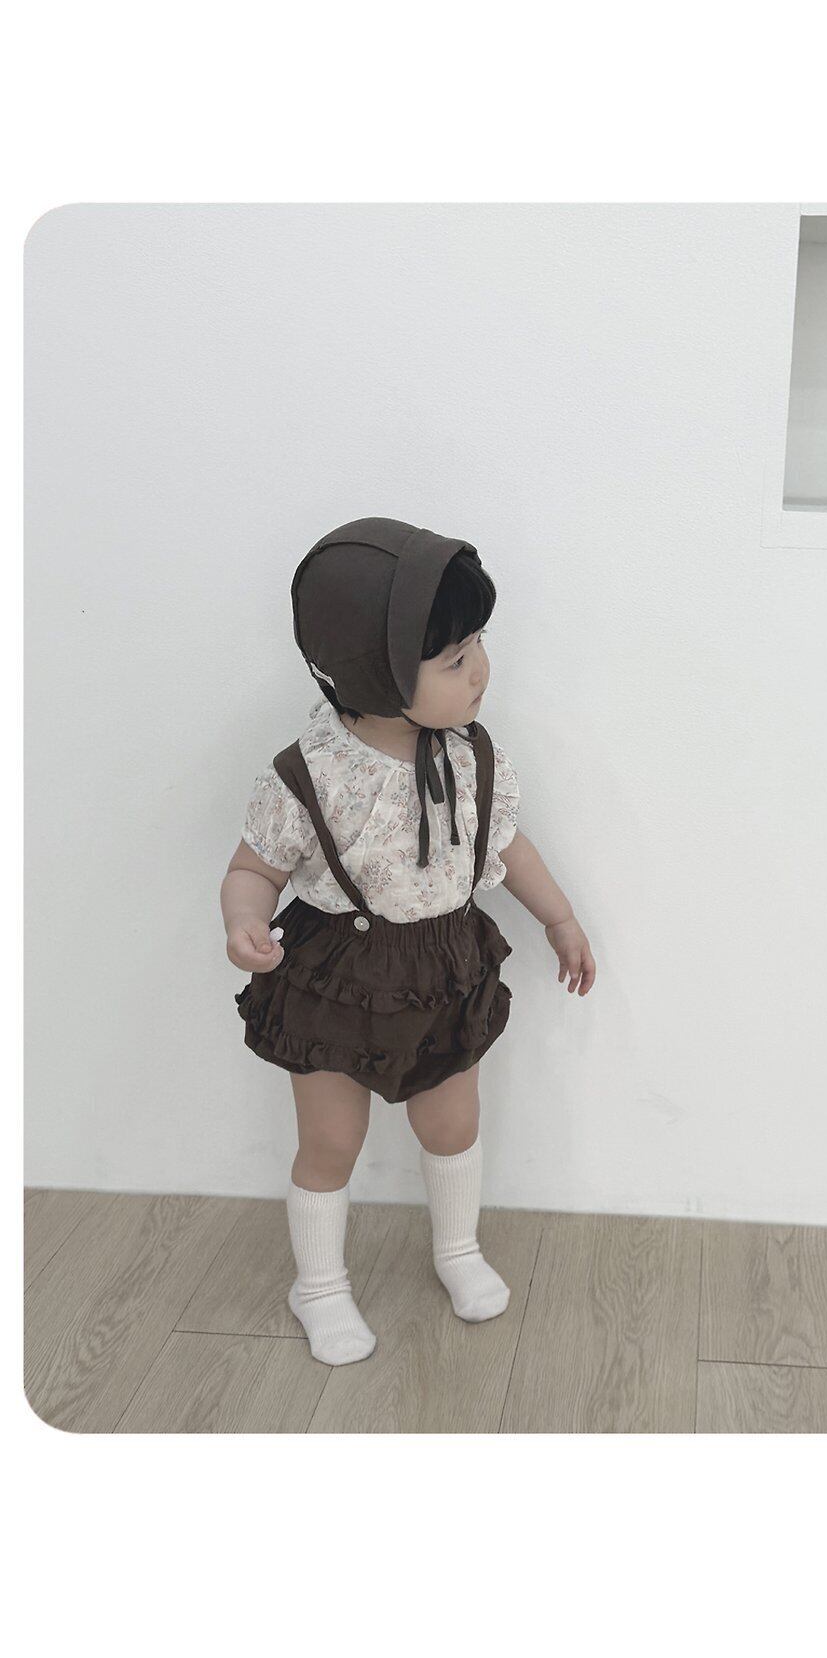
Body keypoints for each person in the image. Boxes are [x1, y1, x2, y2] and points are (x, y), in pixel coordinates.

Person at [221, 517, 595, 1366]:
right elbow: (253, 866)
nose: (481, 669)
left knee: (452, 1122)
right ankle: (319, 1285)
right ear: (375, 674)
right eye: (455, 659)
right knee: (331, 1141)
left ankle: (457, 1248)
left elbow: (506, 847)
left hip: (441, 965)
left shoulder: (472, 758)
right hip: (333, 973)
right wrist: (243, 919)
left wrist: (560, 918)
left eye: (478, 645)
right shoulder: (310, 773)